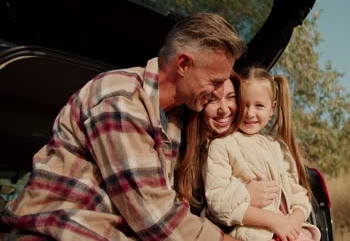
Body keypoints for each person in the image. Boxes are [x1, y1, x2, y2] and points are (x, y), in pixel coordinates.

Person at [0, 13, 246, 240]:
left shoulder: (173, 121)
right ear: (183, 64)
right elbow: (157, 219)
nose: (218, 92)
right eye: (214, 81)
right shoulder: (121, 98)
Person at [203, 67, 321, 241]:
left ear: (271, 109)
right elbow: (219, 203)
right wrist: (274, 221)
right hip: (253, 235)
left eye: (259, 106)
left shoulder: (279, 147)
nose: (250, 113)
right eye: (244, 104)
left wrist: (294, 222)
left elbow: (297, 193)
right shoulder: (222, 146)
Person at [176, 72, 279, 217]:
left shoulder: (258, 149)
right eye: (212, 100)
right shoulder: (181, 147)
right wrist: (246, 195)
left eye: (231, 97)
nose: (224, 109)